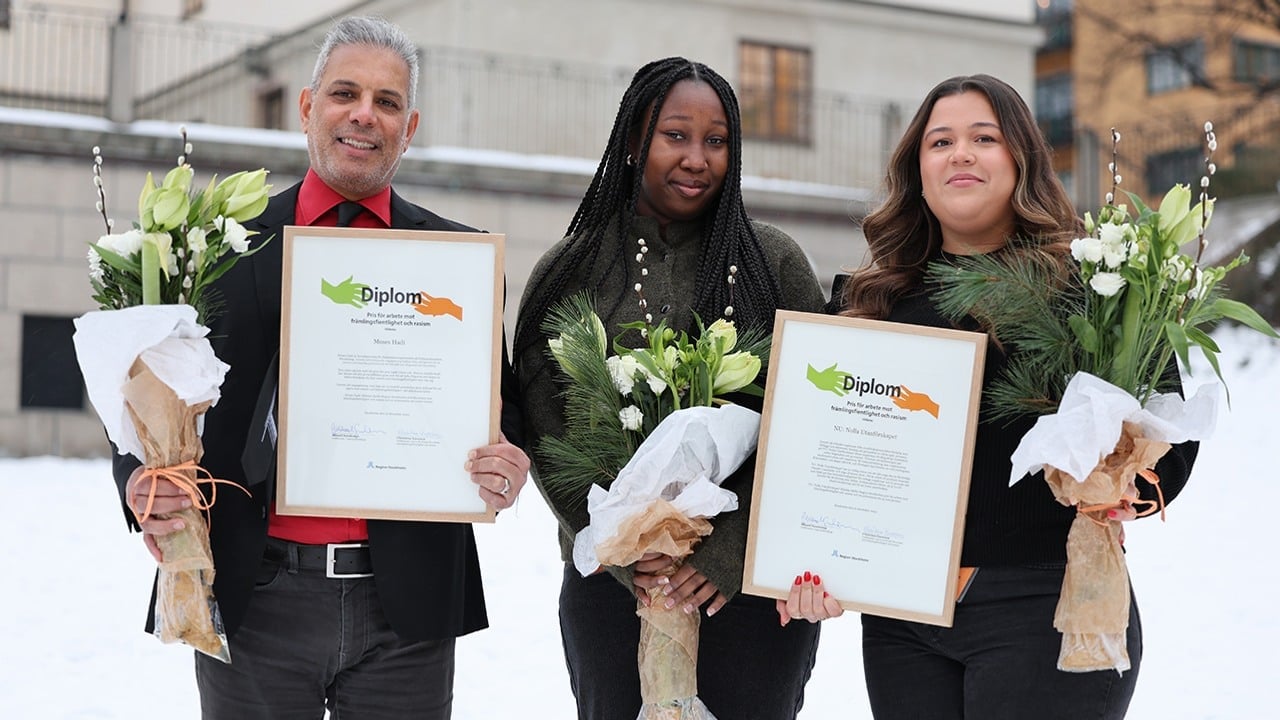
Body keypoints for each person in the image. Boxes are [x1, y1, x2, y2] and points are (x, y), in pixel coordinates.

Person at [109, 16, 530, 719]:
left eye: (387, 102)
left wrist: (507, 456)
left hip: (407, 611)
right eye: (345, 93)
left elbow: (500, 402)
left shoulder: (460, 261)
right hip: (254, 596)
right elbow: (142, 394)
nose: (366, 114)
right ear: (308, 108)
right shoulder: (216, 249)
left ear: (410, 125)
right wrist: (139, 483)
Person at [777, 74, 1199, 719]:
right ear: (917, 170)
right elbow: (820, 460)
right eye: (940, 141)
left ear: (1022, 159)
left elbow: (1168, 445)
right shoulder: (869, 306)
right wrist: (810, 565)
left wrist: (1117, 480)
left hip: (1049, 607)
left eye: (984, 138)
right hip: (903, 625)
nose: (961, 154)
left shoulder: (1093, 290)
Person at [512, 57, 826, 719]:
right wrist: (630, 557)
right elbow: (544, 435)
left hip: (743, 590)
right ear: (634, 140)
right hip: (612, 589)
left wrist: (727, 555)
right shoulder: (571, 269)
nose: (697, 158)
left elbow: (812, 424)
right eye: (675, 135)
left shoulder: (774, 264)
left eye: (716, 141)